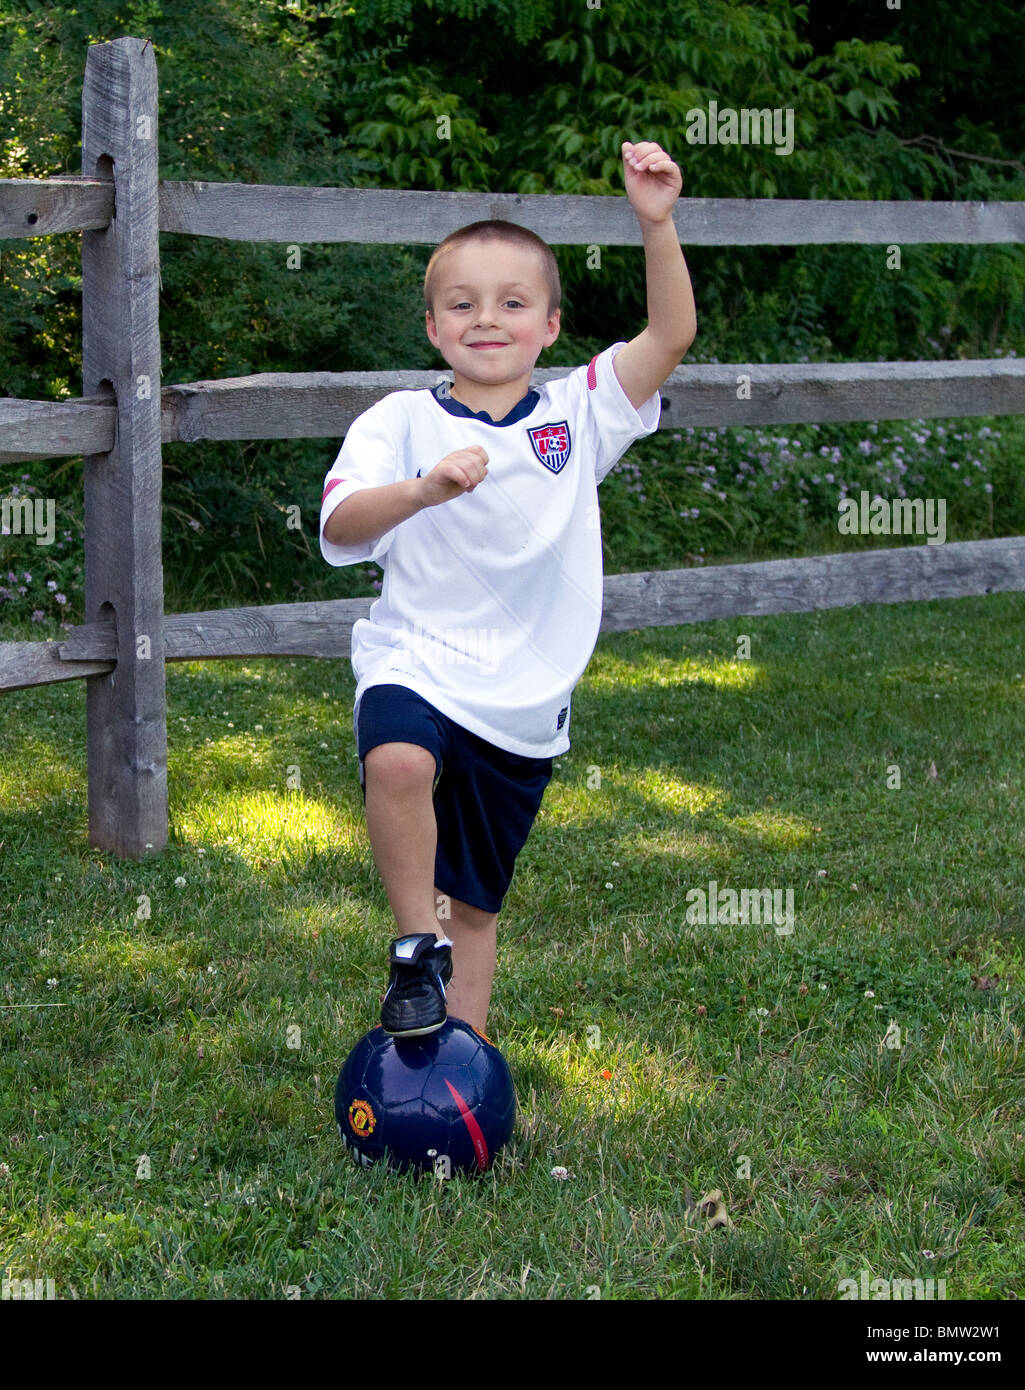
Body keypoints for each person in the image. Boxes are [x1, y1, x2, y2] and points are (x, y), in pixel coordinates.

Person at [319, 140, 696, 1039]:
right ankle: (414, 952)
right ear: (433, 328)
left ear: (550, 327)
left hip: (524, 700)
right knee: (398, 758)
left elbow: (671, 335)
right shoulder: (399, 420)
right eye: (462, 304)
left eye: (512, 303)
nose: (487, 320)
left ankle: (465, 1060)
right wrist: (423, 489)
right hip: (415, 660)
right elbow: (340, 525)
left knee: (476, 910)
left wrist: (656, 221)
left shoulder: (580, 413)